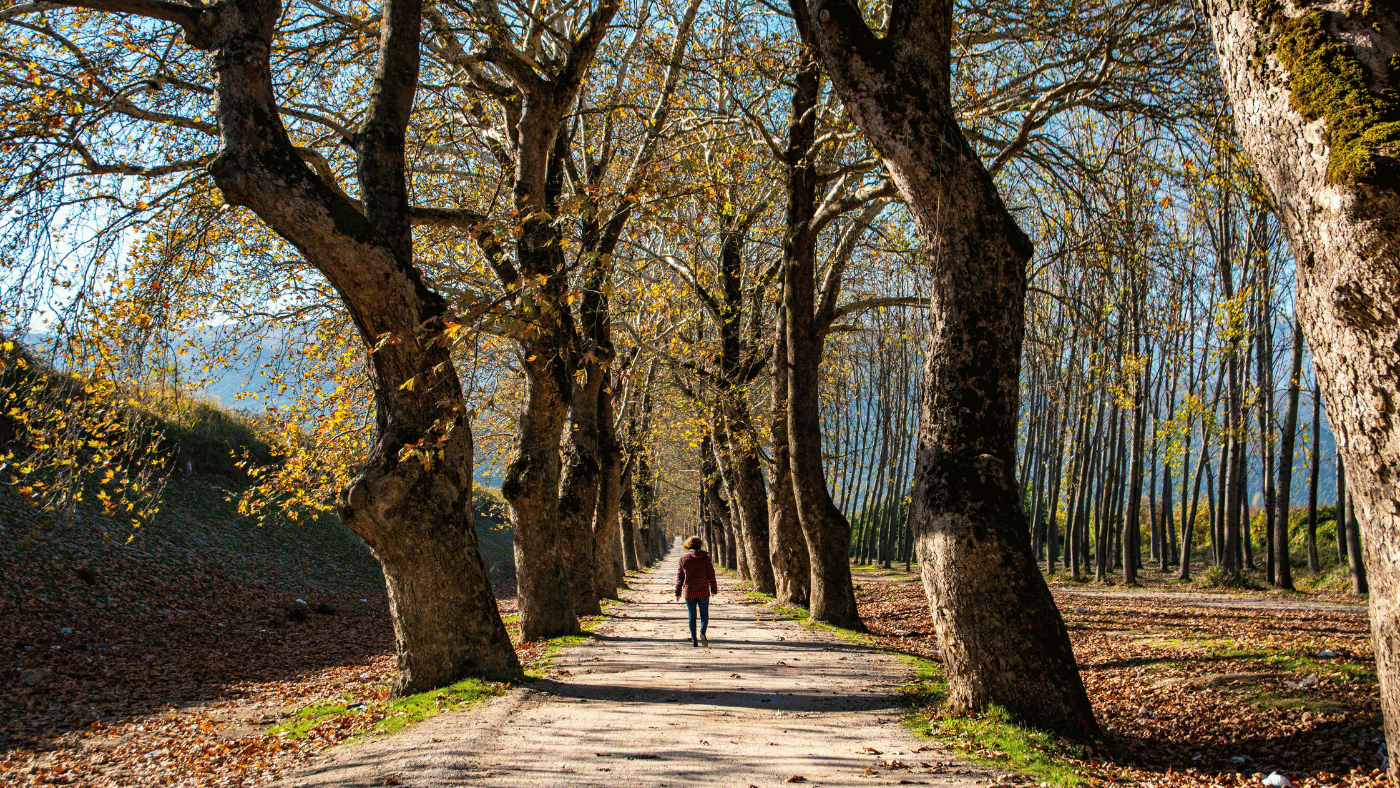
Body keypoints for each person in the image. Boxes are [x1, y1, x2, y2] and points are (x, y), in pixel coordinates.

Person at [675, 535, 718, 647]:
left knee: (692, 616)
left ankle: (694, 640)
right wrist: (714, 588)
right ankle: (702, 632)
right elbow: (711, 575)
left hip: (689, 592)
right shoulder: (706, 558)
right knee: (704, 615)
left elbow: (680, 578)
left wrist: (678, 592)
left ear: (688, 546)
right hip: (703, 590)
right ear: (700, 545)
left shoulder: (683, 559)